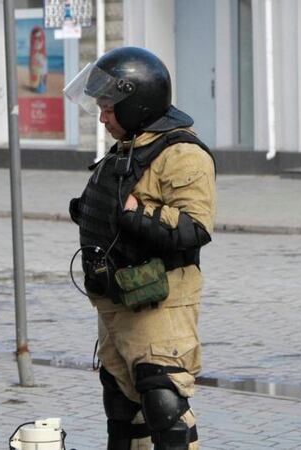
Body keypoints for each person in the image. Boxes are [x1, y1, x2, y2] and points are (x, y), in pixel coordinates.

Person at [65, 47, 216, 450]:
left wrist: (137, 213)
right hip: (116, 303)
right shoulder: (131, 145)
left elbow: (194, 227)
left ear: (137, 103)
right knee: (123, 413)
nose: (103, 117)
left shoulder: (181, 153)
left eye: (110, 108)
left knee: (164, 406)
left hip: (160, 306)